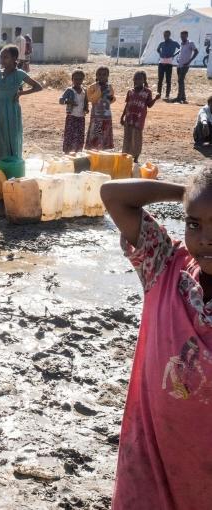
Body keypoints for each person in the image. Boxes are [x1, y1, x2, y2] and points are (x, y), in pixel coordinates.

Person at [100, 170, 212, 510]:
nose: (206, 238)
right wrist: (190, 191)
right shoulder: (164, 264)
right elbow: (113, 195)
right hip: (153, 454)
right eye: (195, 224)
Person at [0, 45, 42, 160]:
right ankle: (2, 162)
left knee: (13, 136)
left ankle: (14, 161)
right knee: (0, 135)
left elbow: (38, 87)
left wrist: (21, 93)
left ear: (14, 58)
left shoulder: (19, 74)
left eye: (6, 57)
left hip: (12, 109)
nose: (2, 60)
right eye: (1, 57)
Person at [120, 71, 160, 164]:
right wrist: (122, 116)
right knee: (127, 137)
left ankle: (136, 157)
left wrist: (155, 99)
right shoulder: (130, 91)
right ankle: (126, 155)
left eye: (140, 79)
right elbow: (127, 105)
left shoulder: (147, 92)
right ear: (133, 80)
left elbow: (149, 105)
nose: (137, 80)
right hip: (129, 118)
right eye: (136, 78)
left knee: (137, 138)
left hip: (139, 119)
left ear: (144, 80)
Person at [85, 66, 116, 150]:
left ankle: (102, 151)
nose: (102, 76)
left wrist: (111, 99)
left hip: (106, 116)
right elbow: (90, 99)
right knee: (96, 134)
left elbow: (112, 98)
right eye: (99, 74)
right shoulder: (93, 87)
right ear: (96, 76)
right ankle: (94, 151)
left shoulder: (109, 86)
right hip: (96, 116)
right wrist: (99, 91)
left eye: (104, 74)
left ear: (108, 76)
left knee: (105, 134)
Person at [59, 70, 89, 154]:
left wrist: (86, 109)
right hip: (71, 116)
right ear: (72, 79)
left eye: (80, 79)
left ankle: (78, 152)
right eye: (76, 79)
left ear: (83, 80)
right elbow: (60, 100)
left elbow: (86, 101)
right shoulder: (69, 90)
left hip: (81, 117)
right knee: (69, 135)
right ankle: (67, 152)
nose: (78, 81)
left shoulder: (84, 91)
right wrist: (68, 102)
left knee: (79, 135)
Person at [172, 31, 198, 104]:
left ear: (187, 36)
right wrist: (175, 55)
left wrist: (189, 61)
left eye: (183, 36)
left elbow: (196, 52)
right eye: (181, 36)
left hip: (185, 65)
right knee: (180, 81)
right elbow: (180, 50)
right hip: (179, 65)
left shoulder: (190, 43)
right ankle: (183, 97)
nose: (182, 38)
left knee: (180, 80)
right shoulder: (182, 43)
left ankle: (179, 97)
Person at [156, 30, 180, 101]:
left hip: (169, 63)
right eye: (164, 35)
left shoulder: (174, 43)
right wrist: (160, 54)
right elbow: (158, 49)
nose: (165, 37)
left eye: (167, 35)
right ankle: (158, 93)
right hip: (161, 62)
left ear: (169, 35)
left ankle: (167, 95)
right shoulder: (162, 43)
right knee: (160, 79)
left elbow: (180, 48)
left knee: (168, 80)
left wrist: (174, 55)